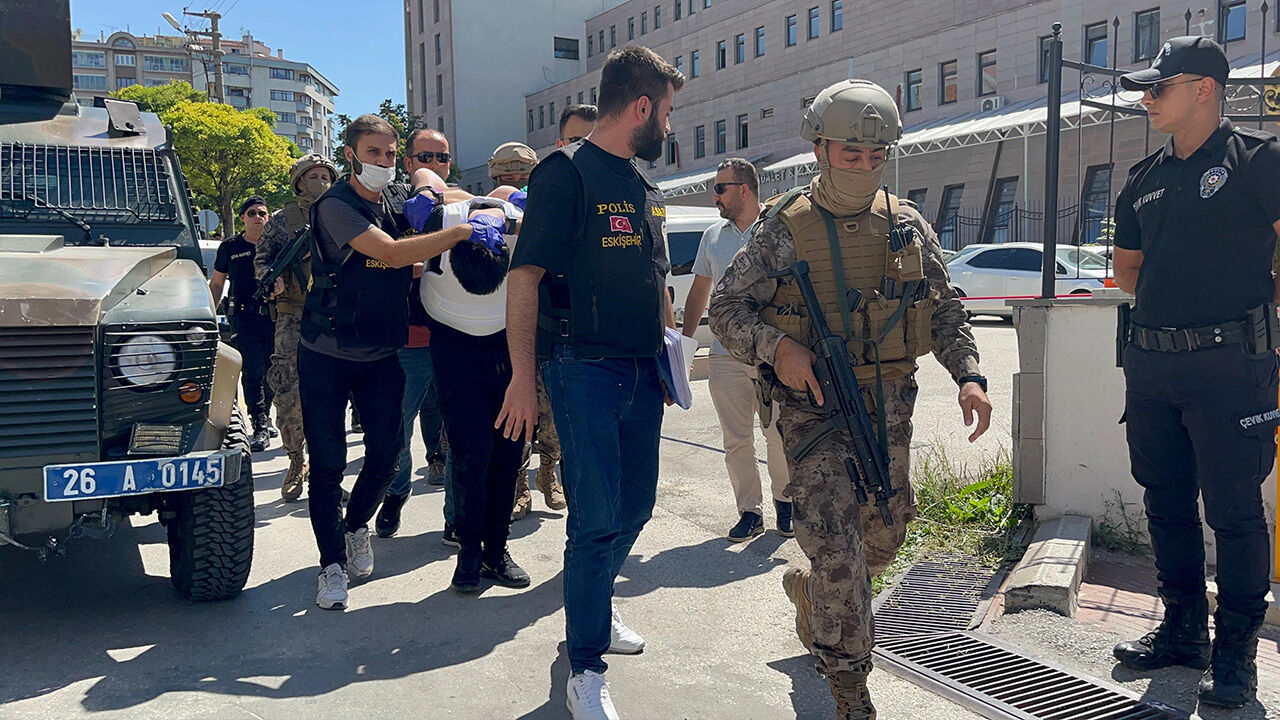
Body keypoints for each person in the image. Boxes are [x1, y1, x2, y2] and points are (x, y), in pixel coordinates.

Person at [707, 79, 992, 719]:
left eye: (876, 156)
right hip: (811, 405)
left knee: (885, 532)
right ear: (819, 150)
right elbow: (726, 306)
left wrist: (968, 375)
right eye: (849, 154)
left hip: (888, 405)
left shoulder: (907, 225)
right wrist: (777, 347)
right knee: (837, 544)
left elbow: (945, 309)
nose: (863, 167)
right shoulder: (784, 228)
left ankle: (814, 598)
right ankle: (849, 688)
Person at [498, 45, 684, 720]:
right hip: (581, 370)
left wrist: (670, 361)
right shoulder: (564, 175)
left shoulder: (644, 187)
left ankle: (595, 606)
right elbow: (524, 279)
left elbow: (657, 281)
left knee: (635, 507)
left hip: (642, 372)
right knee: (596, 517)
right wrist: (524, 378)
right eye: (667, 111)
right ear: (642, 107)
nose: (669, 124)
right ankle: (586, 666)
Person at [1109, 36, 1279, 710]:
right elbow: (1126, 272)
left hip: (1230, 366)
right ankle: (1183, 630)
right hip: (1151, 366)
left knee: (1235, 510)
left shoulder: (1259, 161)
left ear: (1204, 88)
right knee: (1165, 500)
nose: (1147, 101)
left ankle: (1237, 653)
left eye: (1159, 88)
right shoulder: (1142, 179)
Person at [300, 113, 508, 610]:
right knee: (327, 465)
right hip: (325, 353)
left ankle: (355, 529)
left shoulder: (396, 199)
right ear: (350, 154)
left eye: (391, 154)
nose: (384, 162)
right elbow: (391, 255)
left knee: (385, 457)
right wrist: (459, 236)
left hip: (380, 352)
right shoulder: (336, 205)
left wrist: (485, 202)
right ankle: (330, 566)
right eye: (374, 153)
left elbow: (447, 199)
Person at [414, 180, 531, 593]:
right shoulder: (442, 221)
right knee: (468, 454)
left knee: (508, 451)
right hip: (452, 344)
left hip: (506, 339)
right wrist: (434, 197)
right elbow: (425, 189)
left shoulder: (523, 223)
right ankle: (467, 552)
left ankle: (496, 551)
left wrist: (514, 200)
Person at [681, 158, 792, 542]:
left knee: (778, 432)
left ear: (744, 189)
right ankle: (750, 511)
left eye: (720, 188)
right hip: (726, 356)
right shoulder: (713, 236)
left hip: (772, 354)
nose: (714, 197)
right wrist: (684, 343)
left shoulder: (781, 229)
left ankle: (786, 502)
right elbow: (699, 291)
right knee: (736, 438)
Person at [374, 130, 452, 539]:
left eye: (443, 158)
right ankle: (396, 492)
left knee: (459, 433)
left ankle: (457, 521)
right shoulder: (392, 203)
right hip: (410, 340)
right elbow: (385, 258)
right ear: (406, 163)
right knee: (396, 432)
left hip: (457, 338)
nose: (436, 164)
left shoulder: (457, 202)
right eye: (426, 156)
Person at [256, 154, 338, 501]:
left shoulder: (346, 213)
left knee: (334, 397)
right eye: (313, 176)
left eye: (326, 175)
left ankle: (330, 473)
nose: (320, 181)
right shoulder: (281, 220)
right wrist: (269, 280)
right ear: (299, 181)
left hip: (335, 315)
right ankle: (295, 460)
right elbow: (262, 261)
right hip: (294, 316)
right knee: (288, 390)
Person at [487, 140, 554, 522]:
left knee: (554, 417)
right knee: (517, 417)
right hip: (507, 327)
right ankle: (519, 487)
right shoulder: (487, 209)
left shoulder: (549, 205)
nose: (516, 185)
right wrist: (507, 198)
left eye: (524, 178)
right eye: (507, 178)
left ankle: (548, 472)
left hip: (551, 324)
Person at [210, 196, 277, 452]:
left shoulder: (276, 246)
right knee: (252, 370)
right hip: (244, 316)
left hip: (273, 316)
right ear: (242, 218)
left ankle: (266, 413)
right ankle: (258, 423)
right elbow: (217, 283)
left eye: (262, 213)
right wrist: (209, 315)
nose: (258, 217)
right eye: (252, 213)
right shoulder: (230, 247)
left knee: (273, 369)